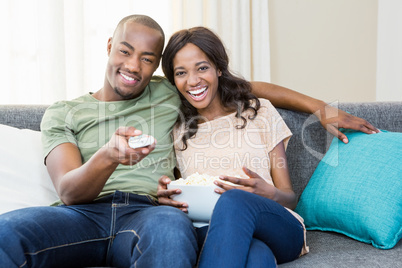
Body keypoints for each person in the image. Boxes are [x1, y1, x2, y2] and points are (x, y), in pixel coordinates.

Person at [0, 14, 377, 267]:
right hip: (105, 215)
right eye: (126, 52)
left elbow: (241, 89)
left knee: (202, 219)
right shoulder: (75, 113)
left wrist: (320, 108)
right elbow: (70, 190)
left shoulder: (223, 103)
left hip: (198, 214)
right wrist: (131, 168)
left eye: (148, 59)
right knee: (256, 258)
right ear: (110, 45)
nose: (134, 67)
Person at [157, 26, 306, 267]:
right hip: (213, 230)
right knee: (258, 257)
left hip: (279, 226)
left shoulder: (260, 111)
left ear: (218, 68)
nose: (193, 81)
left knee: (234, 199)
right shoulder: (177, 131)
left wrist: (270, 193)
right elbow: (178, 193)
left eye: (202, 68)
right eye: (181, 72)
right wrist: (167, 197)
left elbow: (289, 197)